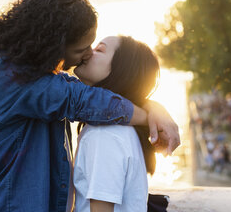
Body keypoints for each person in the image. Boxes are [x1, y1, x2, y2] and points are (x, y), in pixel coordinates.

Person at [0, 0, 179, 212]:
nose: (86, 55)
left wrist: (152, 107)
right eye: (81, 50)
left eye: (95, 47)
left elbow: (81, 93)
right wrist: (147, 115)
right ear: (55, 44)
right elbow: (79, 99)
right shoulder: (7, 73)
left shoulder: (30, 67)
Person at [71, 36, 165, 212]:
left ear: (122, 70)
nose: (89, 52)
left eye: (100, 50)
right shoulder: (121, 130)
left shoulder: (104, 135)